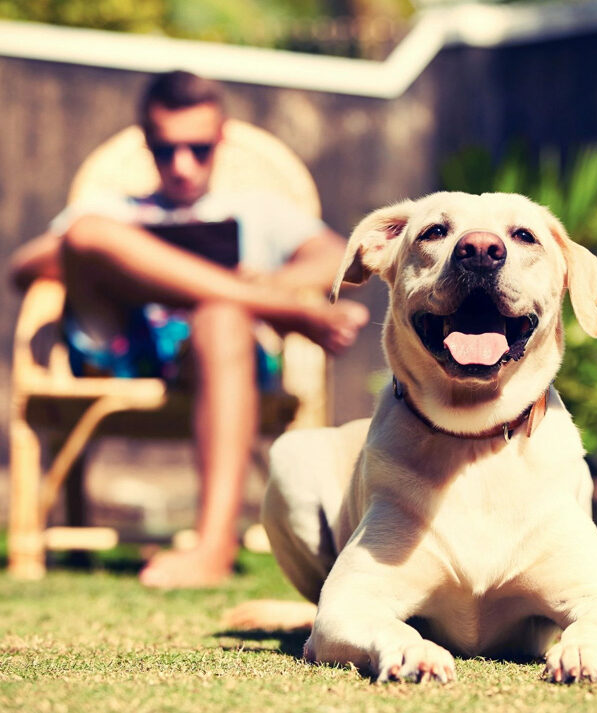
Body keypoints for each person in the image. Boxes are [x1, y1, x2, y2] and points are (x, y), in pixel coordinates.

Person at [8, 70, 369, 589]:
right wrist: (128, 252)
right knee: (88, 232)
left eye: (198, 149)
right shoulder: (115, 209)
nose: (181, 166)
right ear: (147, 144)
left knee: (221, 316)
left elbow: (339, 256)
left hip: (229, 358)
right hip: (124, 350)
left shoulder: (257, 210)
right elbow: (25, 267)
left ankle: (211, 548)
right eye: (165, 150)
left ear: (220, 139)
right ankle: (268, 308)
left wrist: (269, 279)